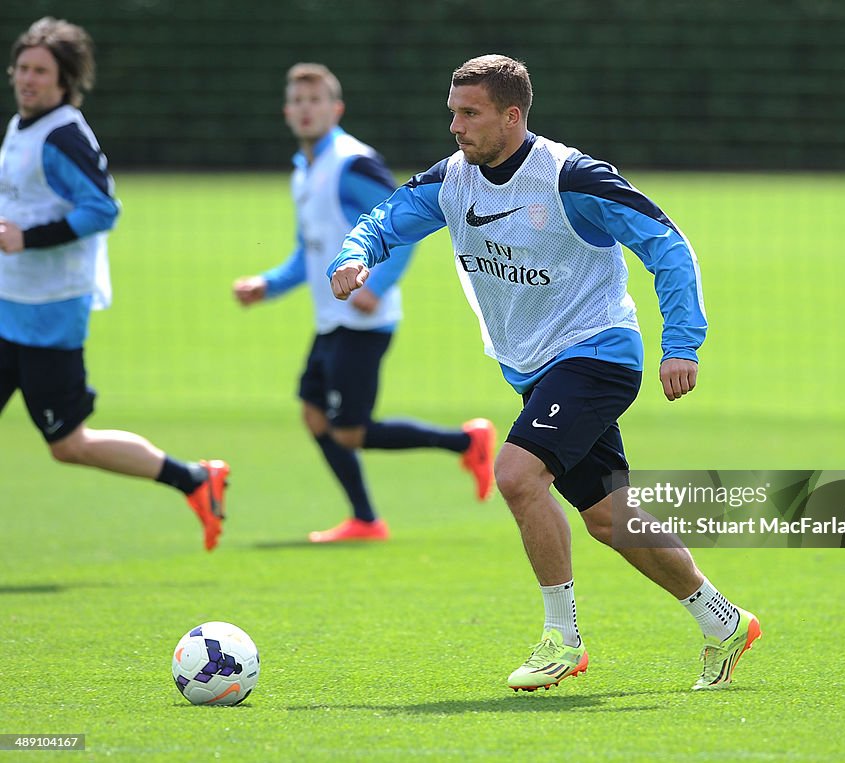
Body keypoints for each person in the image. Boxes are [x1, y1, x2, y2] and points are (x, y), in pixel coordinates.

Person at [328, 54, 760, 691]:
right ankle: (724, 622)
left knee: (517, 475)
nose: (456, 126)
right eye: (452, 113)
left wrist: (683, 344)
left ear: (512, 115)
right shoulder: (453, 181)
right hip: (534, 368)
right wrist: (357, 254)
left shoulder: (570, 178)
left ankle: (562, 639)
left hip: (598, 353)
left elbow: (667, 243)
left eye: (469, 114)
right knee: (609, 518)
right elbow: (385, 221)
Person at [233, 63, 495, 543]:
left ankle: (466, 442)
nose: (306, 110)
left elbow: (401, 226)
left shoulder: (352, 163)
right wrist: (266, 285)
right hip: (332, 318)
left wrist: (377, 285)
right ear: (287, 112)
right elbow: (307, 252)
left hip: (363, 319)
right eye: (298, 101)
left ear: (336, 109)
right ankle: (365, 520)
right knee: (316, 416)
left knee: (349, 432)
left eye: (316, 101)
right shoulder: (304, 168)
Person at [0, 17, 228, 551]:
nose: (27, 79)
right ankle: (194, 479)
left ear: (64, 82)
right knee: (65, 443)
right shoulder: (21, 126)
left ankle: (194, 478)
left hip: (49, 314)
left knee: (68, 444)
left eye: (40, 71)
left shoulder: (63, 135)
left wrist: (27, 239)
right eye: (22, 68)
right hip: (9, 304)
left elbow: (102, 209)